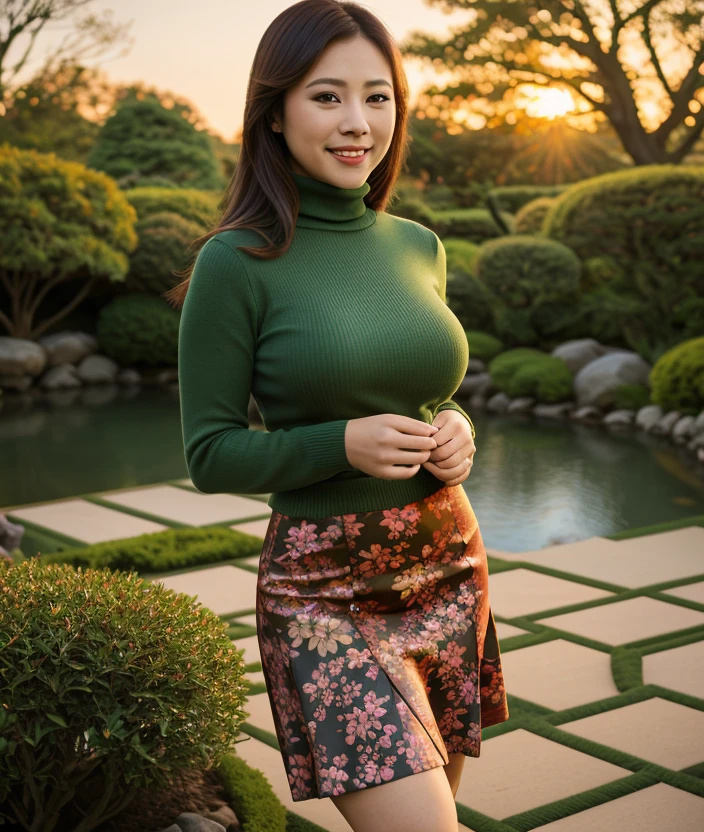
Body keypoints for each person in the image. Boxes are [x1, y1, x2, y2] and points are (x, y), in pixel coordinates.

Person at [169, 2, 509, 830]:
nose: (358, 123)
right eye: (327, 97)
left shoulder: (416, 244)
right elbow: (209, 454)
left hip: (448, 562)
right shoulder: (236, 262)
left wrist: (457, 425)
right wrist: (340, 444)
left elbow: (426, 386)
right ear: (274, 113)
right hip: (326, 593)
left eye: (378, 96)